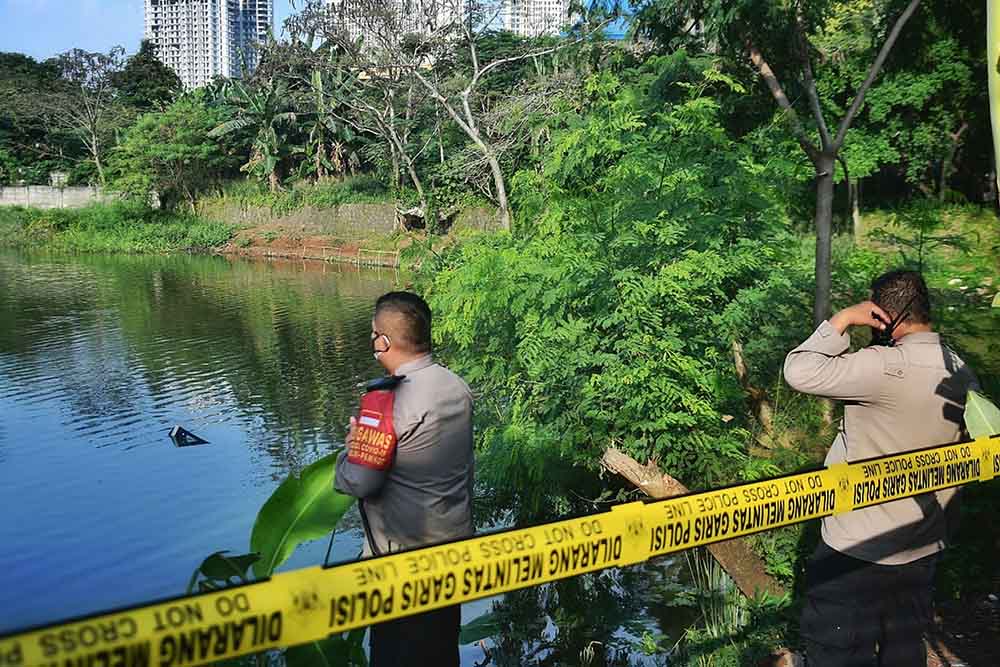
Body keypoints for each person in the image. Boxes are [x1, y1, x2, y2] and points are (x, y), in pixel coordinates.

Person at [783, 270, 978, 667]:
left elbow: (799, 371)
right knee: (903, 651)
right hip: (922, 545)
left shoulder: (883, 368)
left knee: (836, 652)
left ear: (886, 316)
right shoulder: (960, 370)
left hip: (857, 549)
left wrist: (843, 319)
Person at [334, 291, 474, 667]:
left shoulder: (385, 403)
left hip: (400, 566)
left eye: (373, 335)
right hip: (452, 553)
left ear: (383, 342)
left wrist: (349, 452)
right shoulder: (456, 386)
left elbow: (359, 482)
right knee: (442, 652)